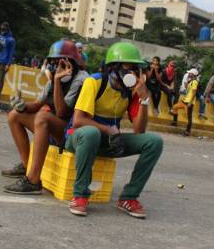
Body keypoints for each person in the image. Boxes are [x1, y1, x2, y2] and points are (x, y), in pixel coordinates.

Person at [66, 42, 163, 218]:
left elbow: (139, 130)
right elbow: (78, 121)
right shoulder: (94, 81)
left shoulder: (131, 92)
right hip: (80, 139)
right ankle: (80, 194)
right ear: (114, 67)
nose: (132, 73)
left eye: (135, 68)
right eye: (128, 67)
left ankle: (129, 197)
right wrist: (108, 129)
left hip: (110, 141)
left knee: (154, 142)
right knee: (91, 133)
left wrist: (144, 99)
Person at [2, 40, 88, 194]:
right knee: (14, 115)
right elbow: (38, 104)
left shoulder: (81, 80)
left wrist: (57, 81)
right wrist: (22, 106)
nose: (56, 66)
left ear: (71, 62)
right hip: (53, 127)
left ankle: (33, 181)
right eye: (54, 62)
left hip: (71, 132)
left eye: (60, 62)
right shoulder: (54, 80)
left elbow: (62, 112)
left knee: (43, 117)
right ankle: (27, 166)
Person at [171, 68, 199, 136]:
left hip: (189, 102)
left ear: (193, 74)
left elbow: (194, 93)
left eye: (190, 73)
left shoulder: (195, 82)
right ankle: (175, 122)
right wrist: (187, 84)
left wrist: (190, 102)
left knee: (189, 117)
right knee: (175, 107)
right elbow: (188, 90)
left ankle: (187, 132)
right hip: (185, 101)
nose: (188, 74)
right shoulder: (191, 81)